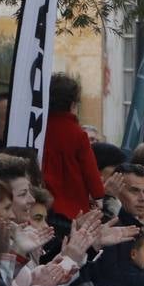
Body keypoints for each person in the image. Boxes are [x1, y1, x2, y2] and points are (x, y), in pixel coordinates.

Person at [40, 74, 105, 220]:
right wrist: (98, 195)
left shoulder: (41, 128)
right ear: (73, 104)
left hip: (46, 200)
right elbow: (90, 170)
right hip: (73, 206)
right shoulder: (77, 133)